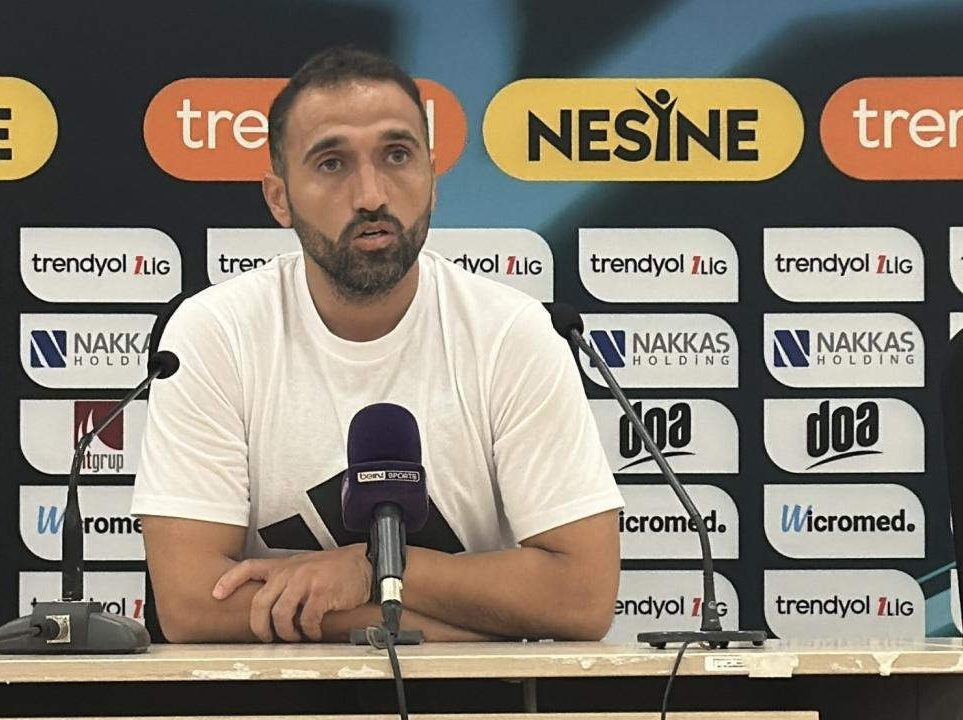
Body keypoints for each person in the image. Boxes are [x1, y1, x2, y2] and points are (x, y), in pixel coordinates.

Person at [131, 46, 623, 643]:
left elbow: (581, 597)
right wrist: (424, 627)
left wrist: (370, 570)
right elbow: (191, 605)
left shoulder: (511, 333)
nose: (370, 194)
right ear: (279, 198)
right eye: (332, 163)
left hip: (472, 694)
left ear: (433, 180)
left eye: (396, 156)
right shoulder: (215, 332)